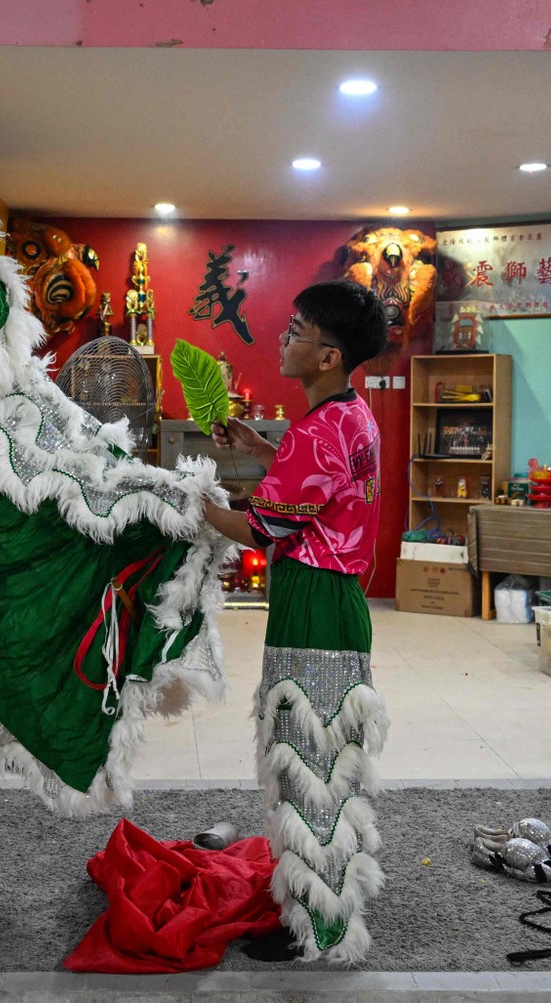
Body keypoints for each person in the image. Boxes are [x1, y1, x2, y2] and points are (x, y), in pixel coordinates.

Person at [201, 279, 390, 965]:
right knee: (323, 757)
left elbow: (262, 524)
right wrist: (255, 442)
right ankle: (318, 902)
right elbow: (312, 489)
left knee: (308, 760)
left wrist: (188, 499)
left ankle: (320, 925)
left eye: (298, 328)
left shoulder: (319, 428)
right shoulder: (351, 416)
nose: (285, 336)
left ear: (328, 356)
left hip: (313, 600)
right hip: (334, 599)